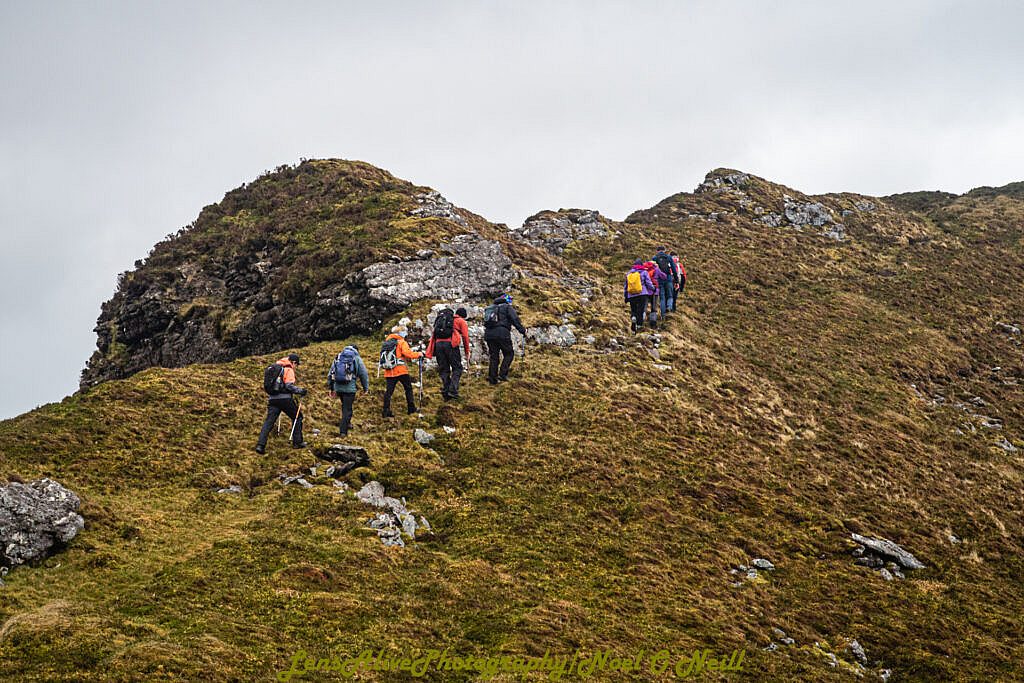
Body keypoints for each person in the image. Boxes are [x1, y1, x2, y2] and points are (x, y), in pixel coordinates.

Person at [256, 353, 307, 454]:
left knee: (269, 422)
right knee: (297, 417)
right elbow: (289, 386)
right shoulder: (289, 369)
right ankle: (297, 442)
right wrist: (300, 391)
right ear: (293, 362)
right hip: (285, 399)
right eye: (296, 365)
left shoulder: (276, 368)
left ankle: (260, 445)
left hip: (272, 399)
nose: (296, 367)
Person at [483, 293, 526, 384]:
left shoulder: (490, 308)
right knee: (509, 353)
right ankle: (502, 374)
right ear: (506, 300)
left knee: (494, 356)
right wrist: (522, 330)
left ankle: (492, 378)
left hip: (489, 334)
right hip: (502, 333)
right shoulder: (507, 307)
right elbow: (515, 319)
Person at [327, 344, 369, 436]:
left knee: (345, 406)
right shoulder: (356, 358)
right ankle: (343, 431)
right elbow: (363, 374)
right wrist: (366, 388)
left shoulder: (338, 357)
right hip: (350, 389)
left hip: (338, 388)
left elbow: (330, 373)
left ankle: (348, 424)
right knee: (347, 409)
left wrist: (331, 388)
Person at [380, 325, 422, 417]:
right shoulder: (402, 342)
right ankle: (411, 409)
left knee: (389, 392)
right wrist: (418, 354)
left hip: (389, 371)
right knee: (408, 389)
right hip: (400, 370)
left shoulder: (387, 342)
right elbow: (408, 354)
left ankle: (385, 411)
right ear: (401, 333)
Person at [425, 309, 465, 400]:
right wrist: (467, 351)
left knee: (444, 369)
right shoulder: (459, 321)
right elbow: (465, 336)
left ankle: (446, 391)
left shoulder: (440, 321)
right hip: (450, 345)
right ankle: (453, 390)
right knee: (457, 368)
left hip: (438, 345)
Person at [624, 259, 656, 333]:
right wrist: (653, 288)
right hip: (642, 294)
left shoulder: (629, 273)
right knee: (641, 310)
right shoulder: (644, 272)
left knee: (633, 309)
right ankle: (639, 326)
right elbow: (648, 283)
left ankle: (633, 317)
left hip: (631, 295)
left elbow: (626, 286)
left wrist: (626, 296)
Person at [652, 246, 678, 317]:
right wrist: (676, 281)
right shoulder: (669, 257)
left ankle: (663, 315)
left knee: (662, 298)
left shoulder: (654, 258)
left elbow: (652, 270)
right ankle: (669, 307)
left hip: (659, 280)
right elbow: (674, 270)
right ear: (664, 250)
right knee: (670, 296)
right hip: (668, 279)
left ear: (657, 251)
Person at [640, 259, 667, 328]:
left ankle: (641, 321)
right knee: (653, 307)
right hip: (654, 291)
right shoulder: (656, 269)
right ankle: (653, 322)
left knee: (644, 307)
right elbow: (664, 276)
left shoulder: (644, 269)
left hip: (645, 291)